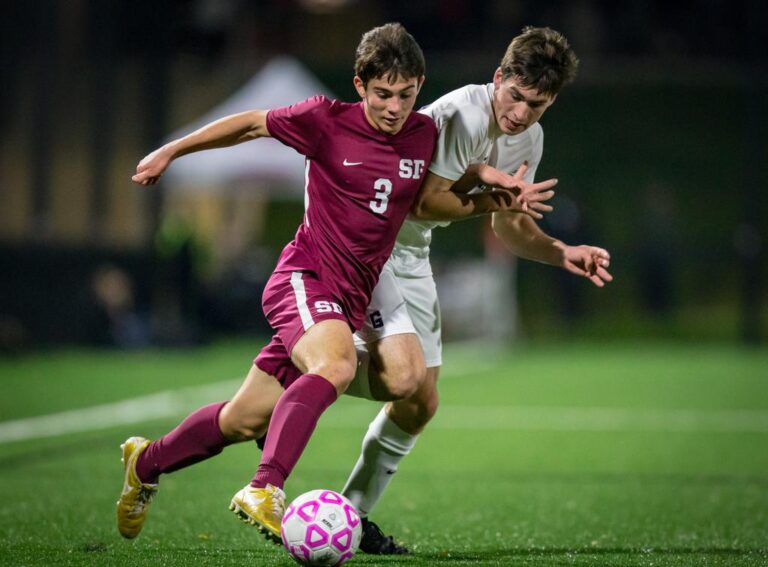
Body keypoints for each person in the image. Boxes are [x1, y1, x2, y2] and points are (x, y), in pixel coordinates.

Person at [117, 22, 554, 545]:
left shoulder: (423, 133)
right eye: (382, 94)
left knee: (245, 420)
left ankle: (146, 462)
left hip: (351, 298)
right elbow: (252, 124)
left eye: (406, 94)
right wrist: (172, 151)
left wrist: (491, 183)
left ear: (420, 86)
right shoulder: (325, 120)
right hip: (305, 277)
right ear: (360, 85)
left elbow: (453, 179)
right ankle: (265, 487)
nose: (394, 107)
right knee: (339, 363)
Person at [339, 26, 613, 554]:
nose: (521, 112)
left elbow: (509, 226)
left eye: (537, 103)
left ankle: (348, 515)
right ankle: (302, 373)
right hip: (376, 237)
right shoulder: (465, 113)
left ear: (551, 100)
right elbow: (425, 202)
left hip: (412, 251)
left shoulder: (529, 138)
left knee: (420, 402)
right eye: (515, 96)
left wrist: (560, 252)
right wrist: (494, 196)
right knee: (405, 379)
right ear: (498, 78)